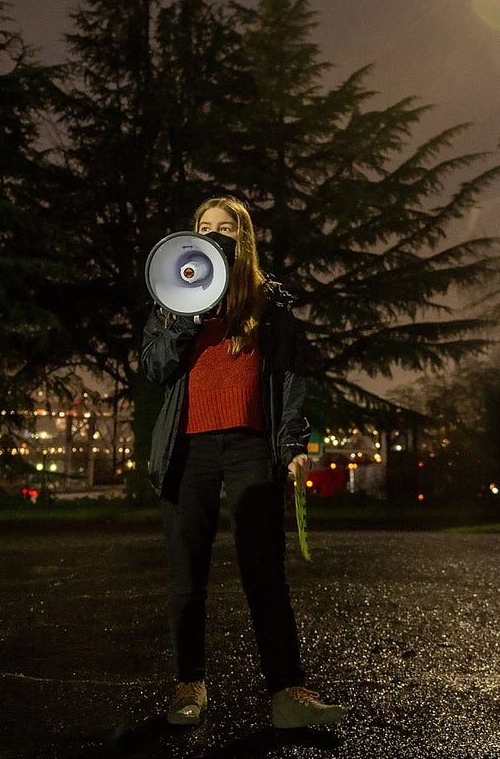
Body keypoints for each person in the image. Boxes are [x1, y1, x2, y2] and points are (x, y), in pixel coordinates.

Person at [140, 196, 346, 730]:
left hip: (251, 446)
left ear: (244, 237)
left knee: (264, 573)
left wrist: (293, 445)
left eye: (225, 228)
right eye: (204, 227)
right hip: (188, 450)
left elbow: (289, 380)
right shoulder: (169, 297)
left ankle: (287, 692)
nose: (214, 235)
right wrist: (186, 319)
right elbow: (155, 369)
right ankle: (190, 684)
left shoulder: (269, 305)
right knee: (188, 576)